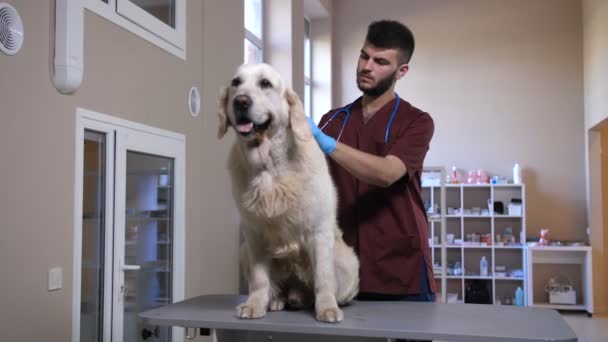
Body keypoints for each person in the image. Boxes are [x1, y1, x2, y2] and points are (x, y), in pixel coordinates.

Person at [307, 20, 436, 308]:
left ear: (401, 71)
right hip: (342, 264)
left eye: (380, 62)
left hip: (401, 269)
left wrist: (326, 144)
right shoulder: (332, 120)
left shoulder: (417, 121)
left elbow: (387, 173)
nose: (367, 66)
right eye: (364, 56)